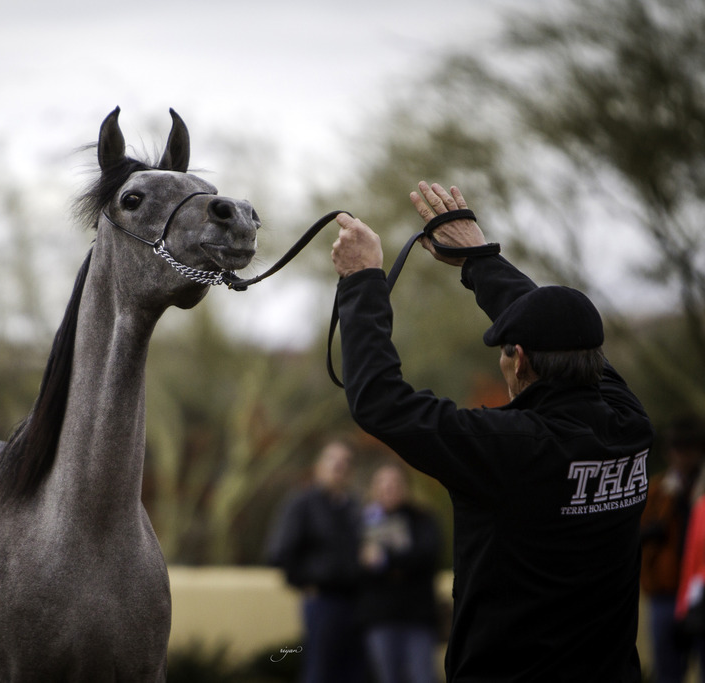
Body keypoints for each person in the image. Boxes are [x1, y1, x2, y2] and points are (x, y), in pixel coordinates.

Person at [330, 181, 654, 682]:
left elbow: (382, 403)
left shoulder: (513, 449)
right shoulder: (629, 424)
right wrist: (479, 258)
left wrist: (361, 280)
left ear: (518, 359)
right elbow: (562, 332)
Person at [267, 440, 368, 683]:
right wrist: (304, 582)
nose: (339, 466)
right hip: (323, 600)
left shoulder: (354, 507)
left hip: (357, 601)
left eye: (345, 462)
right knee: (321, 670)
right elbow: (280, 551)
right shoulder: (302, 503)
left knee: (354, 672)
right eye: (332, 459)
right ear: (318, 466)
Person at [359, 463, 441, 683]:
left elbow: (427, 556)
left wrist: (384, 559)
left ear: (406, 487)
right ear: (374, 487)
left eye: (394, 483)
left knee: (422, 676)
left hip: (417, 617)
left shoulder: (422, 519)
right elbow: (355, 565)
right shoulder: (363, 521)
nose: (389, 488)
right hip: (380, 617)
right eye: (383, 483)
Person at [642, 416, 705, 683]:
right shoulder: (658, 490)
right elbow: (638, 536)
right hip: (665, 594)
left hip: (701, 596)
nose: (681, 455)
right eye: (676, 448)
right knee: (667, 673)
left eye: (688, 448)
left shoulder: (701, 491)